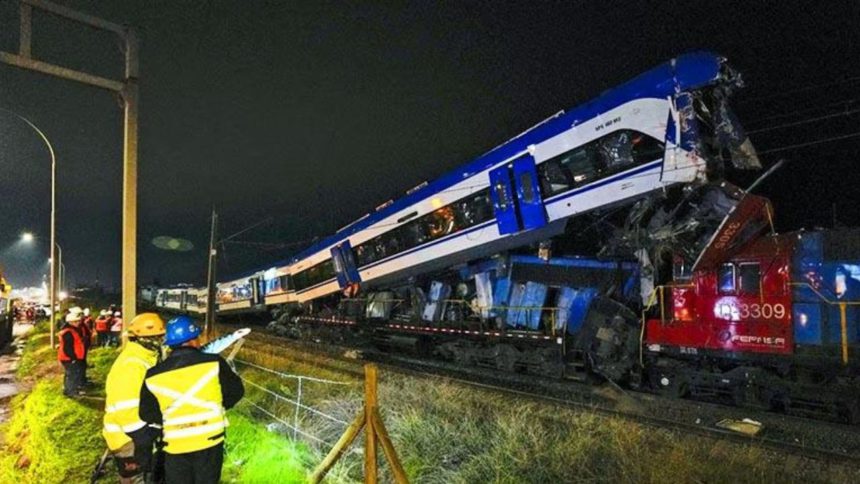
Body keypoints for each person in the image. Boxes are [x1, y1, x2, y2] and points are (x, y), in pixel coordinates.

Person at [139, 317, 244, 484]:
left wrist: (172, 418)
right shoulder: (214, 363)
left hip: (175, 445)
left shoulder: (153, 375)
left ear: (170, 344)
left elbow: (146, 413)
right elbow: (236, 392)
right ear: (195, 339)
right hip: (211, 440)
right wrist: (217, 407)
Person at [103, 313, 166, 484]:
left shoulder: (145, 358)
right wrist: (144, 436)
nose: (160, 341)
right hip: (128, 438)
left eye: (160, 336)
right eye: (155, 337)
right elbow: (125, 407)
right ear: (140, 339)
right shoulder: (132, 365)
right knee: (137, 480)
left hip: (136, 434)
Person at [58, 311, 86, 397]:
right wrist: (73, 358)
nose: (78, 323)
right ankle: (71, 392)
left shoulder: (71, 330)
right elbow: (68, 347)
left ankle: (69, 390)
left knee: (70, 374)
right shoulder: (68, 332)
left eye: (78, 321)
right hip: (69, 358)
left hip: (69, 357)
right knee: (72, 375)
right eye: (76, 321)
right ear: (70, 322)